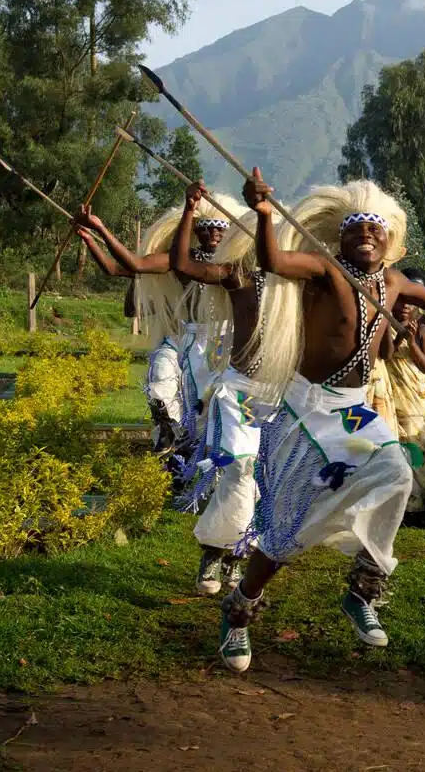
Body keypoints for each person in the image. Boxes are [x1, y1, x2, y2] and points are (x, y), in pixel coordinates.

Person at [217, 173, 425, 673]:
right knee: (291, 520)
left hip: (355, 405)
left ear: (389, 242)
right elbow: (273, 261)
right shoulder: (323, 270)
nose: (366, 234)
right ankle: (239, 611)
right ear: (338, 239)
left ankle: (363, 588)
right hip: (309, 405)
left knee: (397, 474)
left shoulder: (393, 281)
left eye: (374, 229)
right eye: (355, 228)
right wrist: (264, 214)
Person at [76, 192, 242, 471]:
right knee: (166, 387)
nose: (213, 233)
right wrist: (96, 233)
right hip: (188, 339)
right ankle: (175, 447)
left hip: (224, 343)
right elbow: (128, 266)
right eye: (206, 227)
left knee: (214, 409)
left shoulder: (235, 266)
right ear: (195, 232)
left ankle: (211, 468)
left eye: (219, 228)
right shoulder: (180, 262)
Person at [167, 182, 276, 597]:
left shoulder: (299, 283)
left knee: (262, 480)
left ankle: (236, 556)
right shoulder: (237, 277)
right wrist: (189, 211)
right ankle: (215, 552)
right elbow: (183, 264)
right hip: (239, 389)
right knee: (238, 471)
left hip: (282, 396)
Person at [383, 268, 425, 521]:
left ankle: (418, 506)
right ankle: (399, 508)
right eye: (400, 301)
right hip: (392, 397)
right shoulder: (383, 326)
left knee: (419, 446)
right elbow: (384, 356)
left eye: (409, 302)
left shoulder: (423, 330)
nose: (404, 307)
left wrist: (412, 341)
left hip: (416, 398)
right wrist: (398, 337)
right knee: (395, 448)